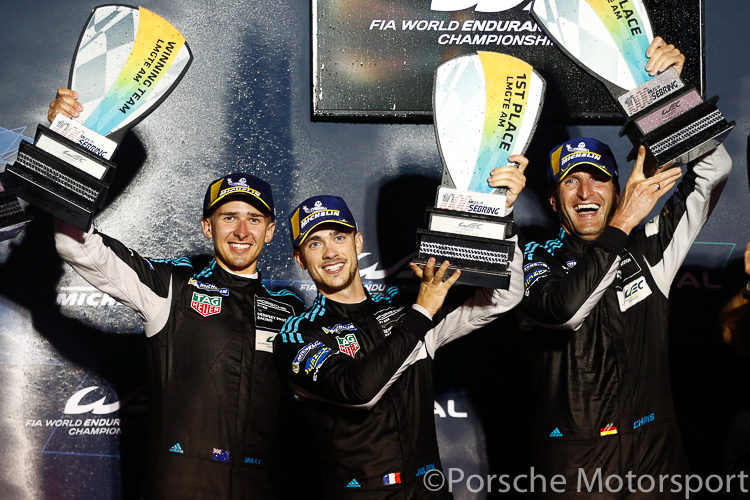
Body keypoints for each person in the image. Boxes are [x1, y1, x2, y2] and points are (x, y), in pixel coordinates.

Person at [50, 91, 304, 499]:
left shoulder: (292, 308)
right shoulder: (173, 286)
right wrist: (67, 145)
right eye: (229, 217)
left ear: (270, 232)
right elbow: (77, 246)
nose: (242, 231)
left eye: (254, 219)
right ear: (207, 227)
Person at [519, 38, 732, 499]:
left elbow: (714, 170)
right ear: (554, 202)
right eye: (570, 182)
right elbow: (563, 311)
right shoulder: (534, 258)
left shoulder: (651, 247)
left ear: (618, 190)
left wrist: (665, 97)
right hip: (572, 469)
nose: (585, 192)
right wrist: (623, 222)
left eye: (599, 179)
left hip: (655, 461)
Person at [272, 156, 527, 498]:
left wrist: (502, 218)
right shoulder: (298, 334)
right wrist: (423, 310)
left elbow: (503, 298)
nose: (330, 252)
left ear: (358, 243)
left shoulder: (404, 305)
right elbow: (359, 391)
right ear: (300, 259)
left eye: (338, 237)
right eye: (315, 243)